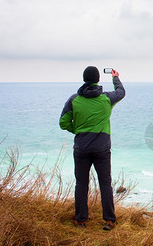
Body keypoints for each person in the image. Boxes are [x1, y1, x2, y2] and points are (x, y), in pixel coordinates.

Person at [59, 66, 125, 230]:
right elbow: (121, 92)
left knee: (81, 184)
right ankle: (109, 220)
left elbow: (63, 123)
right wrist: (115, 78)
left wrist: (78, 131)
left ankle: (81, 220)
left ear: (84, 79)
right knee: (105, 184)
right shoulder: (106, 99)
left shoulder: (74, 100)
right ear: (97, 79)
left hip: (81, 148)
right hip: (102, 149)